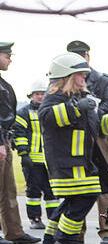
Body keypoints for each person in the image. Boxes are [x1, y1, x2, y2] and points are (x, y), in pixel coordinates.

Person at [38, 53, 108, 244]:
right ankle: (65, 240)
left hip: (81, 160)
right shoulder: (56, 97)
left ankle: (51, 241)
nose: (84, 79)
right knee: (86, 196)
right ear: (68, 75)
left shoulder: (78, 98)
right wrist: (75, 108)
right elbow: (47, 117)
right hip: (67, 161)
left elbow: (93, 127)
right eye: (81, 75)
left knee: (73, 199)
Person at [66, 41, 108, 244]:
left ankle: (107, 230)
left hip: (98, 134)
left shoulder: (103, 80)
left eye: (83, 55)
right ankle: (76, 232)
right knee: (77, 183)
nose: (80, 59)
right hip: (75, 136)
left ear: (88, 57)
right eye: (75, 56)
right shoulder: (65, 80)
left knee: (103, 181)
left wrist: (91, 111)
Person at [0, 42, 41, 244]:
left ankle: (14, 231)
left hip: (4, 140)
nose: (10, 59)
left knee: (8, 189)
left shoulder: (3, 83)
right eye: (6, 55)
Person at [12, 80, 58, 229]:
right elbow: (19, 133)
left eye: (42, 94)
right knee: (33, 191)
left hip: (51, 160)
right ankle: (35, 219)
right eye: (37, 94)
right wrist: (24, 154)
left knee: (52, 192)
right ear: (31, 96)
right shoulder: (24, 112)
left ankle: (53, 219)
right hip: (32, 160)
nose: (40, 97)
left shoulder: (53, 110)